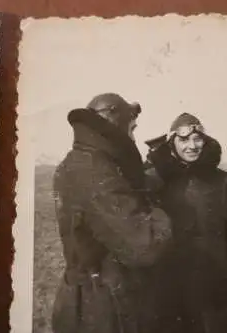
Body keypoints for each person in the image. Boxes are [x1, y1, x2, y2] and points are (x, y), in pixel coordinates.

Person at [51, 93, 173, 333]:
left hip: (84, 300)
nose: (132, 136)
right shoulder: (96, 171)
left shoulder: (77, 161)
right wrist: (155, 211)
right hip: (103, 310)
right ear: (117, 125)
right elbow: (144, 247)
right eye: (132, 128)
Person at [145, 113, 227, 333]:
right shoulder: (158, 184)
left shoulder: (226, 183)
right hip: (172, 300)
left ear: (206, 141)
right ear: (172, 144)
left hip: (215, 299)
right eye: (184, 140)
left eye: (197, 139)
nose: (192, 146)